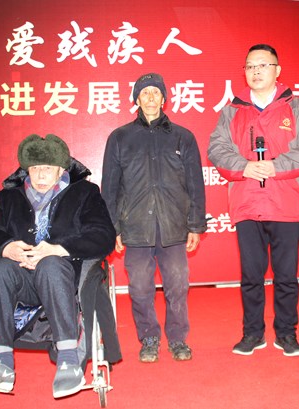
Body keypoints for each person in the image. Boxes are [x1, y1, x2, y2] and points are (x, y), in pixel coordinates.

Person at [0, 134, 116, 397]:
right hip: (22, 279)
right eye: (35, 168)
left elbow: (103, 235)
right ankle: (1, 363)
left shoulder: (85, 193)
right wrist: (7, 247)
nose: (40, 174)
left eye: (48, 168)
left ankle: (68, 360)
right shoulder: (9, 197)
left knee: (50, 265)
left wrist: (59, 249)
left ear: (61, 169)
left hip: (64, 277)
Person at [207, 44, 299, 357]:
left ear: (277, 70)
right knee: (251, 275)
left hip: (286, 203)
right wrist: (244, 167)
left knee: (286, 276)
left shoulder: (297, 108)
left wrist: (276, 166)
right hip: (247, 203)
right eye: (250, 66)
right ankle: (252, 334)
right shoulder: (231, 111)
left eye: (262, 65)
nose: (255, 71)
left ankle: (286, 334)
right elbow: (217, 149)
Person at [101, 73, 207, 363]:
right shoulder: (120, 138)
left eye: (155, 92)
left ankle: (177, 338)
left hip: (174, 226)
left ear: (164, 98)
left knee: (177, 285)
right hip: (135, 227)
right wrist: (113, 228)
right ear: (136, 99)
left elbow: (195, 184)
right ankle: (149, 338)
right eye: (144, 92)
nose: (150, 97)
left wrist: (195, 225)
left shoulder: (183, 137)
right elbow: (109, 188)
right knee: (139, 288)